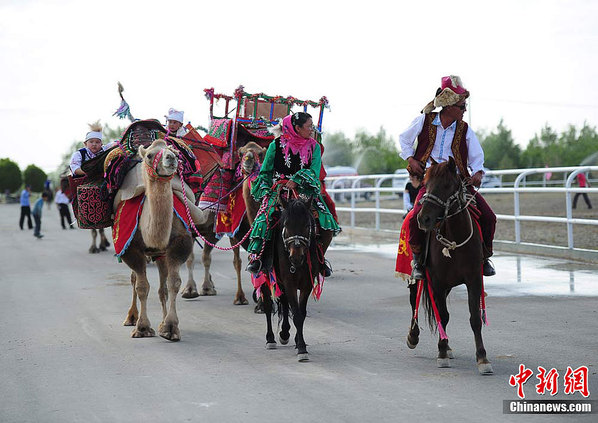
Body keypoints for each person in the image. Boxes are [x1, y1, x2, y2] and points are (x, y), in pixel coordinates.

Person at [399, 75, 496, 278]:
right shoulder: (423, 121)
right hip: (432, 181)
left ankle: (484, 257)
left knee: (489, 217)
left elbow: (476, 156)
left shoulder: (465, 129)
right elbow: (404, 139)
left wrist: (478, 172)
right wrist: (411, 159)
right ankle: (418, 261)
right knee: (414, 217)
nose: (464, 110)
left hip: (457, 182)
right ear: (449, 106)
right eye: (462, 106)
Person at [246, 112, 341, 275]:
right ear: (297, 128)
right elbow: (266, 172)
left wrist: (298, 179)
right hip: (279, 191)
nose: (312, 130)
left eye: (312, 126)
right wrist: (266, 188)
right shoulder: (275, 146)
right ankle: (259, 258)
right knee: (264, 219)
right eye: (309, 126)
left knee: (327, 221)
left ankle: (320, 260)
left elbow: (314, 170)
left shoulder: (314, 147)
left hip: (305, 191)